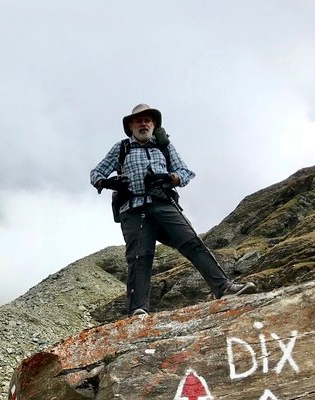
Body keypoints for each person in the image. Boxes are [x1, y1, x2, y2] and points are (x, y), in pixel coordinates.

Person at [90, 103, 255, 317]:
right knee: (140, 256)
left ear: (154, 124)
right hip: (133, 209)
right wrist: (108, 183)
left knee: (192, 242)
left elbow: (185, 172)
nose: (143, 123)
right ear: (130, 125)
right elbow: (96, 173)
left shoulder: (164, 147)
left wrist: (169, 177)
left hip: (163, 203)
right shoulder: (121, 148)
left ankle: (223, 288)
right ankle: (138, 309)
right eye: (138, 120)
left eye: (147, 120)